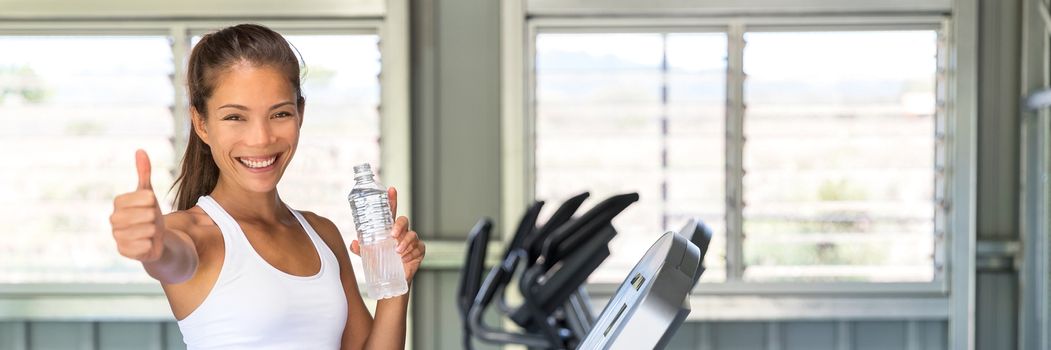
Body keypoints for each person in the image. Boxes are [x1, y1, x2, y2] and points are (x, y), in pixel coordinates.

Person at [107, 23, 425, 349]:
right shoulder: (192, 233)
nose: (261, 139)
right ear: (201, 123)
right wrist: (152, 246)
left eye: (279, 114)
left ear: (300, 113)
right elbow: (170, 256)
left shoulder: (323, 234)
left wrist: (395, 284)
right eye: (235, 117)